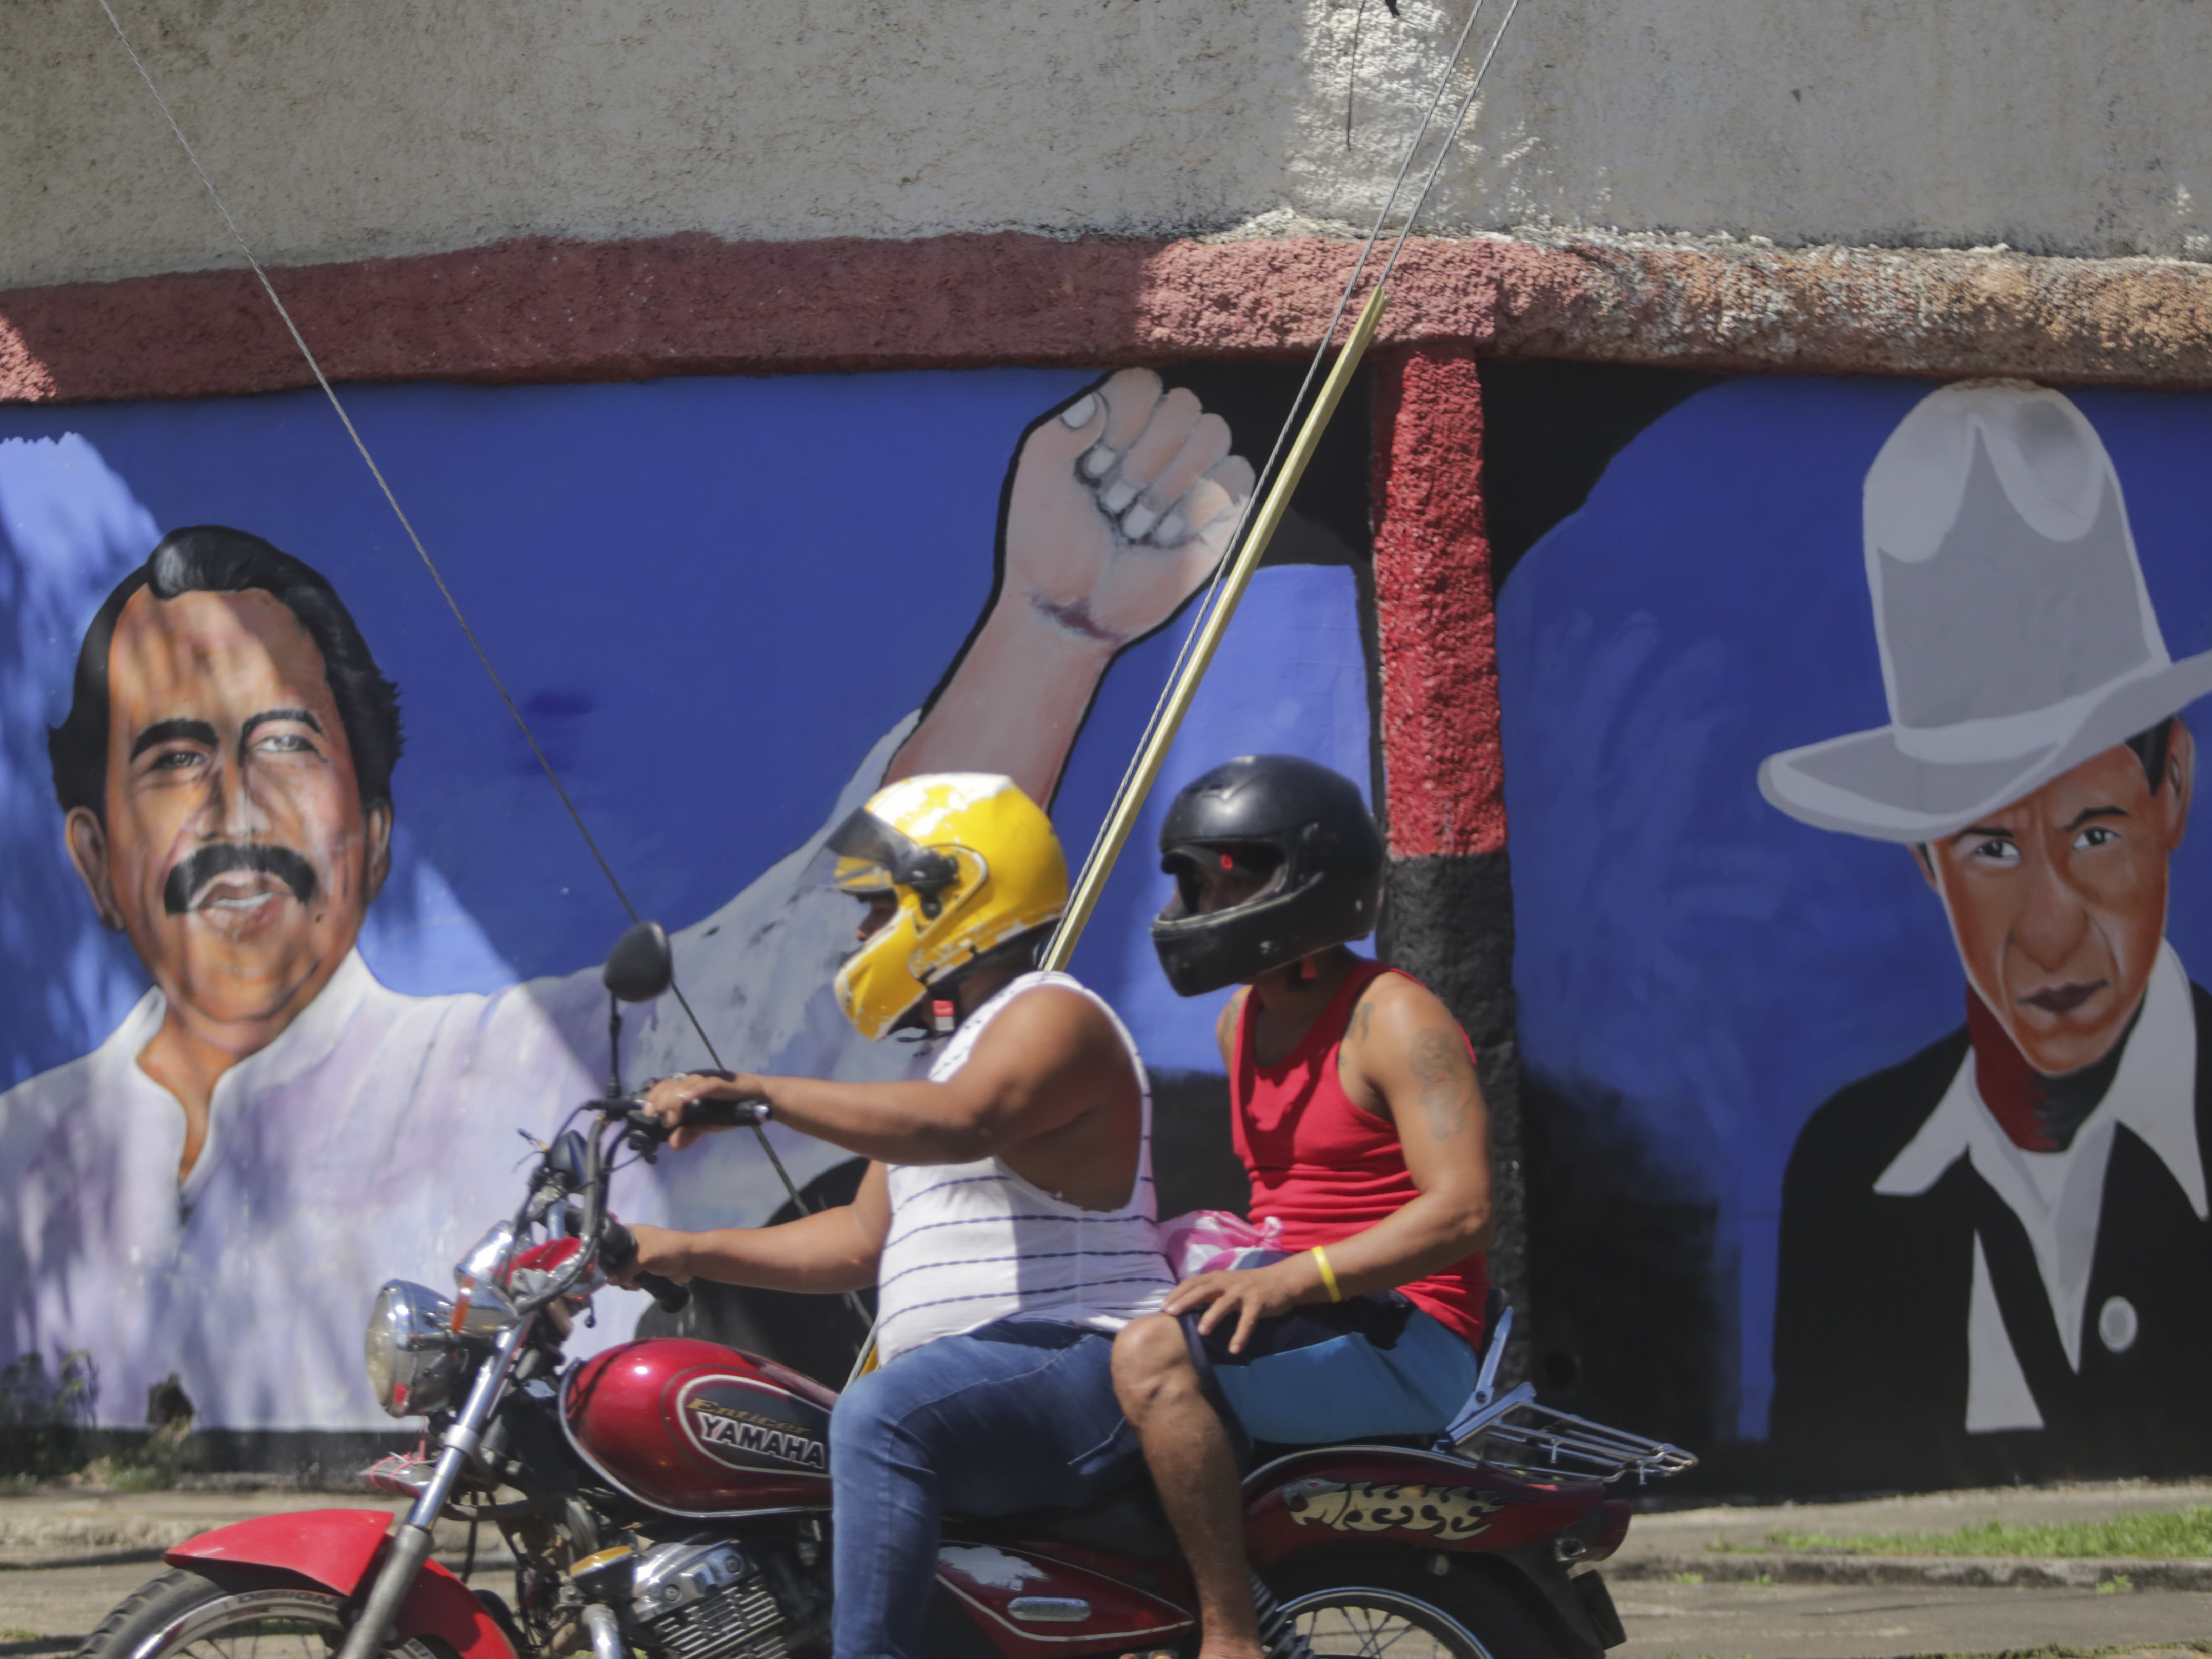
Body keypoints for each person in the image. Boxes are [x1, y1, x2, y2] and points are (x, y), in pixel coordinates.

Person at [0, 368, 1251, 1429]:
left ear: (373, 832)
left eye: (283, 746)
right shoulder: (21, 1147)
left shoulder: (516, 1063)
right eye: (172, 758)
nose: (233, 811)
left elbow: (798, 958)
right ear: (92, 849)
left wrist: (1042, 632)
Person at [1763, 380, 2212, 1485]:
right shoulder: (1850, 1166)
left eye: (2095, 831)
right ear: (1925, 860)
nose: (2052, 934)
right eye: (1991, 851)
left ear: (2174, 796)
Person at [616, 772, 1174, 1659]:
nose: (861, 934)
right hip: (985, 1387)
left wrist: (759, 1092)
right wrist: (678, 1249)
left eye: (877, 910)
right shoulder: (942, 1067)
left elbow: (964, 1127)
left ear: (956, 896)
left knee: (882, 1415)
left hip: (1084, 1358)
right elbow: (855, 1243)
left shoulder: (1053, 1015)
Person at [1109, 754, 1494, 1659]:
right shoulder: (1238, 1021)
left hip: (1406, 1336)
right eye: (1190, 883)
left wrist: (1286, 1284)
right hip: (1301, 1307)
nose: (1196, 904)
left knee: (1152, 1357)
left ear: (1301, 882)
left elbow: (1465, 1212)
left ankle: (1232, 1635)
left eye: (1215, 880)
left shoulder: (1393, 1017)